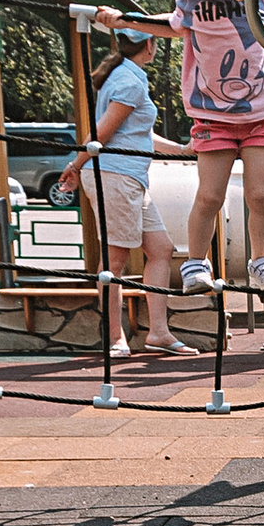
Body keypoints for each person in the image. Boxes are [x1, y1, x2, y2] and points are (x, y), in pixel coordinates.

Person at [99, 0, 264, 297]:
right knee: (209, 195)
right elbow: (174, 26)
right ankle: (196, 263)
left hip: (261, 110)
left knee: (258, 194)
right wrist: (124, 21)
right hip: (212, 113)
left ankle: (261, 261)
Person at [58, 24, 179, 358]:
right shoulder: (128, 80)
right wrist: (77, 164)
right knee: (114, 259)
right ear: (150, 45)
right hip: (116, 176)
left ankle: (158, 332)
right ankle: (114, 337)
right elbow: (104, 133)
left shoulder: (129, 75)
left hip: (130, 177)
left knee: (161, 249)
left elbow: (138, 136)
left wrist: (184, 149)